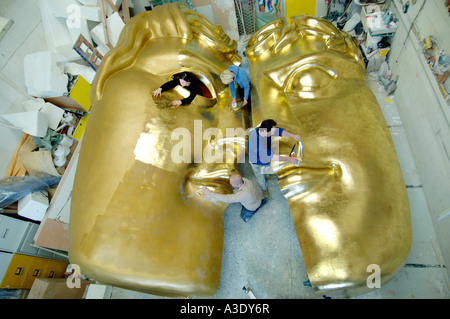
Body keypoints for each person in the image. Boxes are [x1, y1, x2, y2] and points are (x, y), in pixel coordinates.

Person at [247, 119, 301, 193]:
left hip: (264, 156)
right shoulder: (257, 145)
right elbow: (273, 157)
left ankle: (267, 175)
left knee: (266, 167)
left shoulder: (262, 129)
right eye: (272, 132)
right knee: (260, 177)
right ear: (265, 131)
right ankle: (264, 189)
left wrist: (293, 136)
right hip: (256, 161)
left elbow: (279, 131)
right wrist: (289, 159)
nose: (273, 133)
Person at [201, 173, 266, 222]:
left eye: (231, 183)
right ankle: (261, 203)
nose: (230, 184)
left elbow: (227, 199)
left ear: (237, 185)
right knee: (255, 201)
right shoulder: (244, 180)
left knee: (243, 217)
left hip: (252, 206)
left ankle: (255, 210)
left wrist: (210, 193)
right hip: (257, 198)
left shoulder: (244, 194)